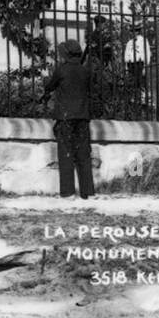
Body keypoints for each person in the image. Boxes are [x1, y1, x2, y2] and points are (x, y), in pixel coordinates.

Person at [43, 39, 95, 199]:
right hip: (82, 116)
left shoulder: (61, 70)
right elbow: (92, 90)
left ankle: (68, 192)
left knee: (66, 153)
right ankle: (88, 192)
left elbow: (49, 87)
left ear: (66, 53)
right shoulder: (86, 71)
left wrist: (46, 79)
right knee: (84, 154)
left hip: (65, 117)